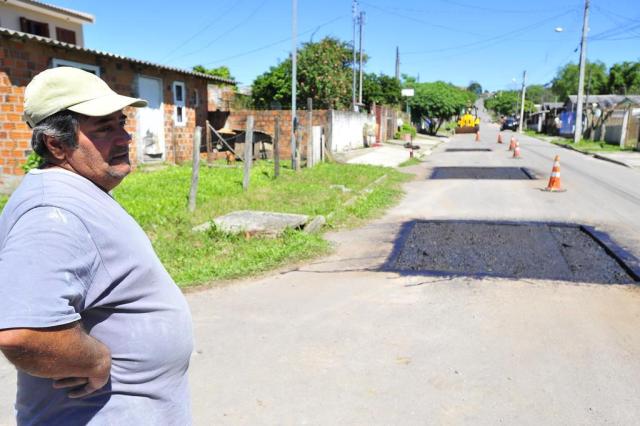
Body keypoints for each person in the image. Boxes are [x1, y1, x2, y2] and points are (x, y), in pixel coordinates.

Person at [0, 67, 193, 424]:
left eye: (120, 123)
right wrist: (95, 360)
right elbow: (23, 333)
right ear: (56, 144)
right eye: (104, 128)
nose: (125, 137)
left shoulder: (76, 193)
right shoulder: (51, 213)